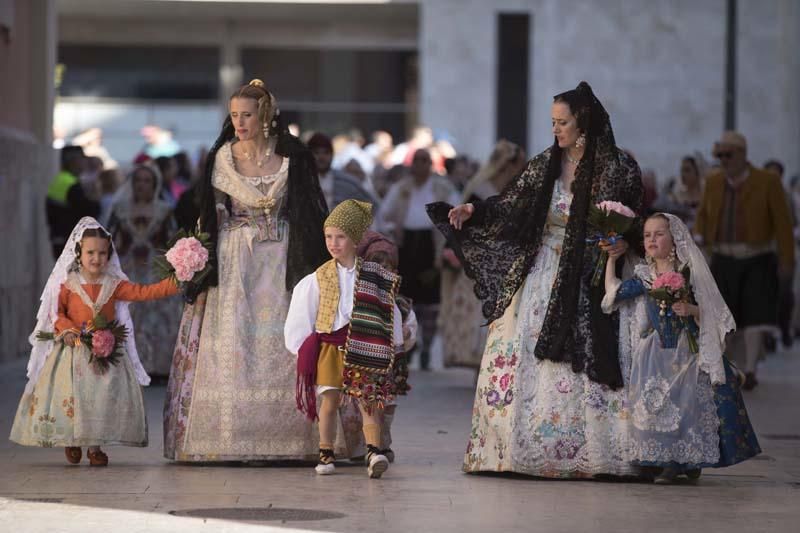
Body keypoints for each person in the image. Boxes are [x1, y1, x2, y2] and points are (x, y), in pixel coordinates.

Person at [428, 81, 643, 477]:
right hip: (542, 269)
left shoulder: (617, 167)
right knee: (522, 344)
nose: (556, 130)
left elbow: (636, 219)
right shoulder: (546, 163)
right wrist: (474, 211)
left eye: (562, 122)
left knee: (589, 351)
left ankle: (592, 452)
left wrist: (621, 243)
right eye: (552, 122)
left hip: (590, 273)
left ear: (583, 122)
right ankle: (517, 449)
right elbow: (512, 205)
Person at [163, 79, 329, 462]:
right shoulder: (222, 157)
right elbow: (209, 213)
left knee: (284, 334)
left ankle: (297, 435)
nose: (239, 122)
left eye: (247, 115)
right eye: (234, 114)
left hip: (283, 256)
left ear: (265, 114)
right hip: (237, 256)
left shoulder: (293, 157)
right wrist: (197, 256)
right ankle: (229, 436)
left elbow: (307, 211)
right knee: (235, 337)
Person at [603, 213, 760, 483]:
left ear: (673, 238)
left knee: (688, 404)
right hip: (656, 350)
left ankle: (686, 460)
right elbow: (614, 294)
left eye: (659, 234)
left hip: (686, 349)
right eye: (647, 235)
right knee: (659, 402)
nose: (652, 240)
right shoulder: (645, 275)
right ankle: (669, 459)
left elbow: (713, 311)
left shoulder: (688, 272)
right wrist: (612, 259)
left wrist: (691, 309)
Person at [9, 218, 178, 465]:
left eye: (102, 253)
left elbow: (144, 292)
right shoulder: (67, 285)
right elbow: (57, 313)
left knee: (99, 400)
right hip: (73, 352)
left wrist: (178, 281)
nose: (96, 258)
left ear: (109, 255)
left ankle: (95, 447)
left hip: (103, 355)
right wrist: (66, 329)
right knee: (73, 397)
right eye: (90, 252)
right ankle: (73, 440)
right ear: (78, 253)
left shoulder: (114, 284)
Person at [285, 200, 403, 478]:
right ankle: (325, 452)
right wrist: (300, 345)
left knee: (368, 401)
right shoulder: (319, 277)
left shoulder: (374, 275)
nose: (334, 243)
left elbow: (388, 308)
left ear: (356, 239)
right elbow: (303, 310)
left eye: (341, 237)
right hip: (330, 346)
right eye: (329, 237)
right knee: (329, 400)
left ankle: (374, 451)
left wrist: (394, 341)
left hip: (365, 345)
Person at [694, 131, 794, 390]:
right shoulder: (714, 182)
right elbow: (704, 216)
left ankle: (749, 369)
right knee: (723, 316)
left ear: (742, 155)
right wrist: (698, 237)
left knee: (755, 318)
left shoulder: (767, 181)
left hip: (757, 256)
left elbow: (783, 224)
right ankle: (730, 367)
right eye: (720, 155)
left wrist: (787, 260)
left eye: (728, 155)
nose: (724, 160)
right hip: (723, 256)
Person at [439, 140, 526, 371]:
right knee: (479, 314)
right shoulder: (481, 190)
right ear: (507, 165)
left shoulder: (517, 189)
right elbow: (465, 227)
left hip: (508, 261)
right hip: (480, 262)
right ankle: (481, 366)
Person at [337, 230, 416, 464]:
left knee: (386, 408)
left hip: (388, 369)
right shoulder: (356, 300)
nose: (382, 274)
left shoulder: (401, 304)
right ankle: (359, 449)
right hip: (360, 367)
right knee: (356, 410)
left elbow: (410, 330)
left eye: (388, 268)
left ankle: (382, 444)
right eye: (375, 267)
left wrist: (406, 334)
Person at [379, 148, 460, 370]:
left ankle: (427, 346)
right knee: (406, 298)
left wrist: (449, 241)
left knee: (431, 302)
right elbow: (384, 213)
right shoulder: (401, 188)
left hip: (430, 247)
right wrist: (392, 232)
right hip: (407, 246)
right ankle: (409, 345)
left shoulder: (442, 188)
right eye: (417, 160)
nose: (421, 165)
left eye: (425, 160)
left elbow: (456, 211)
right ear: (411, 164)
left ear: (431, 164)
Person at [106, 163, 181, 378]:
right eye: (138, 180)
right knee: (129, 314)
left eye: (147, 181)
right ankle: (129, 365)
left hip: (155, 268)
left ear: (155, 184)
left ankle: (157, 366)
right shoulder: (120, 208)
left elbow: (173, 240)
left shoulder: (164, 210)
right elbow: (109, 238)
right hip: (128, 267)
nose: (142, 185)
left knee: (157, 317)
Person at [46, 145, 100, 258]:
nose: (85, 163)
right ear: (73, 162)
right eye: (82, 159)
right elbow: (89, 212)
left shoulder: (61, 179)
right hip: (70, 243)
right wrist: (96, 196)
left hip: (60, 240)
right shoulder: (71, 184)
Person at [307, 132, 378, 211]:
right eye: (316, 153)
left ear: (332, 155)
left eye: (326, 153)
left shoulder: (348, 182)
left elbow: (373, 207)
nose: (321, 157)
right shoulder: (299, 182)